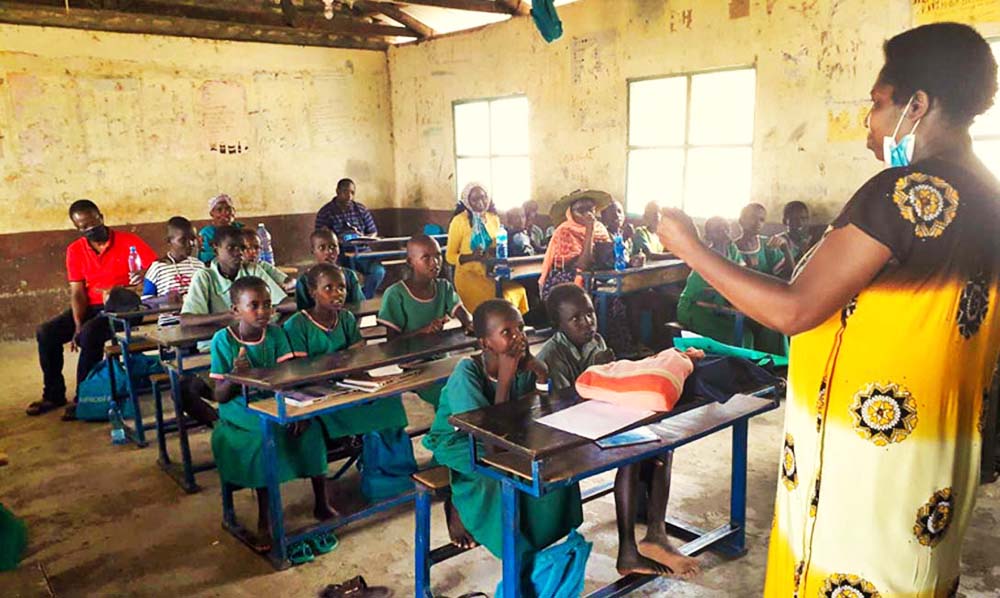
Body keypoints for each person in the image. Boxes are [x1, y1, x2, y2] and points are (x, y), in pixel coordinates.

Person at [655, 23, 1000, 597]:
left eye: (877, 105)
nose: (870, 125)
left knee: (848, 577)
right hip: (936, 456)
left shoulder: (902, 193)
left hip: (865, 460)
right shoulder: (989, 198)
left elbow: (794, 310)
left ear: (918, 104)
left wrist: (690, 247)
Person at [537, 284, 700, 578]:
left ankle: (655, 531)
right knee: (633, 452)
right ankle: (628, 550)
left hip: (601, 421)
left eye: (589, 314)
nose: (587, 322)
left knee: (662, 445)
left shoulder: (596, 341)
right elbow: (562, 406)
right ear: (557, 325)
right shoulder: (552, 355)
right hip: (567, 436)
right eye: (576, 319)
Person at [423, 299, 581, 572]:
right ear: (485, 343)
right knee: (496, 473)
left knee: (553, 464)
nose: (518, 337)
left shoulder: (522, 366)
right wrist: (506, 378)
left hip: (509, 435)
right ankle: (463, 509)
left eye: (520, 328)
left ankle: (539, 535)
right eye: (507, 332)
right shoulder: (468, 372)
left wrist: (540, 371)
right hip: (462, 440)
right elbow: (484, 433)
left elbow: (545, 408)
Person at [208, 276, 335, 552]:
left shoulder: (276, 334)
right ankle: (266, 520)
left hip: (275, 399)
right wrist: (234, 376)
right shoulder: (223, 340)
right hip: (240, 408)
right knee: (265, 436)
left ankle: (321, 502)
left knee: (310, 428)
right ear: (235, 310)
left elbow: (290, 378)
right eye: (253, 305)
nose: (263, 311)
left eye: (267, 304)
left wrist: (300, 411)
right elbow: (219, 395)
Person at [284, 263, 415, 503]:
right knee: (334, 413)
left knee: (388, 401)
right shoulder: (297, 325)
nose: (337, 293)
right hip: (316, 393)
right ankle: (373, 468)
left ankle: (389, 476)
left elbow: (358, 356)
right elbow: (298, 373)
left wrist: (367, 378)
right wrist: (337, 369)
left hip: (347, 384)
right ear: (312, 292)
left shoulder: (345, 318)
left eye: (342, 287)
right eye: (328, 288)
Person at [28, 199, 157, 419]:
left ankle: (84, 398)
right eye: (83, 227)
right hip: (92, 306)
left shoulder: (129, 242)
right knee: (46, 333)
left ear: (101, 217)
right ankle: (53, 394)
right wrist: (77, 325)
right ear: (77, 228)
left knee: (91, 334)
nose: (90, 229)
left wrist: (136, 284)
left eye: (93, 223)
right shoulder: (75, 250)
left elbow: (155, 271)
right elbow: (77, 293)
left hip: (123, 306)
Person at [179, 225, 293, 425]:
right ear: (215, 248)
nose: (238, 253)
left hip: (258, 344)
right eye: (231, 248)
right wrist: (231, 317)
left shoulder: (253, 270)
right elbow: (186, 319)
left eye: (241, 248)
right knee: (182, 389)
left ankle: (247, 415)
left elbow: (282, 302)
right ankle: (219, 424)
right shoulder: (205, 276)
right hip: (215, 349)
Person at [377, 235, 473, 408]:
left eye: (438, 255)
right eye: (426, 258)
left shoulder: (444, 287)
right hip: (415, 365)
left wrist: (469, 323)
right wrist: (422, 331)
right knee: (452, 397)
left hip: (442, 359)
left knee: (473, 384)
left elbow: (463, 314)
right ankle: (445, 431)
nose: (435, 262)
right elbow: (392, 345)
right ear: (410, 261)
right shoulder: (395, 294)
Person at [446, 182, 529, 314]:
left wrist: (492, 251)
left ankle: (511, 326)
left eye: (484, 197)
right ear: (467, 201)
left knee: (517, 291)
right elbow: (449, 256)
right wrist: (471, 257)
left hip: (490, 273)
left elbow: (497, 245)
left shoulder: (493, 219)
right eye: (475, 199)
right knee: (498, 302)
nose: (481, 202)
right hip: (469, 276)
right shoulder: (459, 221)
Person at [676, 217, 748, 345]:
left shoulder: (731, 250)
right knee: (733, 334)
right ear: (708, 236)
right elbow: (697, 293)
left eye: (726, 228)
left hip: (721, 306)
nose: (724, 233)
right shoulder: (705, 257)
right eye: (717, 230)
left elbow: (742, 275)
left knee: (751, 332)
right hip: (695, 307)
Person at [314, 178, 385, 299]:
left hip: (361, 251)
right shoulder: (325, 212)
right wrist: (337, 241)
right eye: (345, 192)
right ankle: (352, 299)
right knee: (344, 277)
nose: (349, 196)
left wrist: (364, 238)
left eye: (352, 193)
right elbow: (320, 237)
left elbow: (373, 232)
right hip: (338, 253)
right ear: (337, 191)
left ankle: (364, 299)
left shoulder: (361, 209)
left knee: (378, 271)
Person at [537, 189, 613, 299]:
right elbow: (582, 265)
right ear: (571, 212)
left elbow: (607, 258)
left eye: (590, 209)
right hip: (567, 281)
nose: (587, 214)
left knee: (616, 296)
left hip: (596, 278)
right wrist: (589, 229)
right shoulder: (564, 231)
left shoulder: (600, 228)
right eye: (581, 210)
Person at [142, 216, 206, 327]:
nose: (190, 244)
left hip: (198, 321)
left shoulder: (199, 266)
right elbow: (145, 301)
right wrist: (164, 299)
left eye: (192, 239)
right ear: (169, 241)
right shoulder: (158, 267)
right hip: (171, 324)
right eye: (183, 240)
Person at [295, 229, 365, 310]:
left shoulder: (349, 276)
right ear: (313, 251)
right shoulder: (304, 280)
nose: (328, 252)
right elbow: (302, 311)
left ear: (338, 249)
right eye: (322, 248)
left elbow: (359, 305)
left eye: (333, 247)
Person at [240, 228, 295, 294]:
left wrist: (288, 285)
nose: (253, 252)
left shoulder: (263, 266)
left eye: (256, 247)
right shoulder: (237, 271)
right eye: (248, 248)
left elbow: (288, 280)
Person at [768, 201, 816, 271]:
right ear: (784, 221)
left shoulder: (812, 241)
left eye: (804, 218)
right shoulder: (779, 242)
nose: (800, 223)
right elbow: (786, 273)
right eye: (794, 219)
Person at [198, 193, 242, 264]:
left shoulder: (240, 228)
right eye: (219, 210)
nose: (225, 212)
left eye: (228, 208)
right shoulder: (206, 233)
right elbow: (205, 257)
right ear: (212, 214)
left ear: (234, 211)